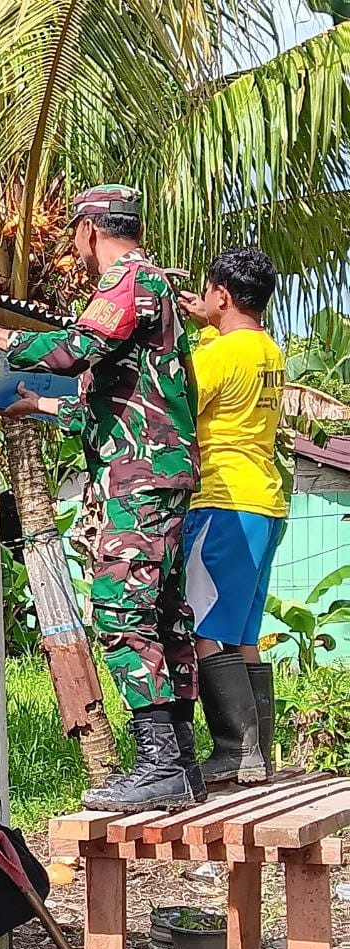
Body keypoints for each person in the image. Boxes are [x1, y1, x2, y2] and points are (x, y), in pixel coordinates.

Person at [0, 184, 204, 813]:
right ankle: (179, 761)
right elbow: (107, 403)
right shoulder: (156, 294)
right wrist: (37, 405)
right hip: (158, 472)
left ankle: (159, 765)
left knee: (121, 608)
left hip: (140, 477)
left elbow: (77, 351)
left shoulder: (127, 282)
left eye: (75, 233)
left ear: (90, 232)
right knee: (164, 613)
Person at [177, 247, 284, 784]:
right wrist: (209, 327)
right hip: (265, 503)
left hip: (221, 500)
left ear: (221, 293)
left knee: (202, 624)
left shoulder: (217, 355)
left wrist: (195, 332)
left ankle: (231, 750)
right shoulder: (268, 350)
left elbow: (180, 400)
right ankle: (257, 752)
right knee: (243, 633)